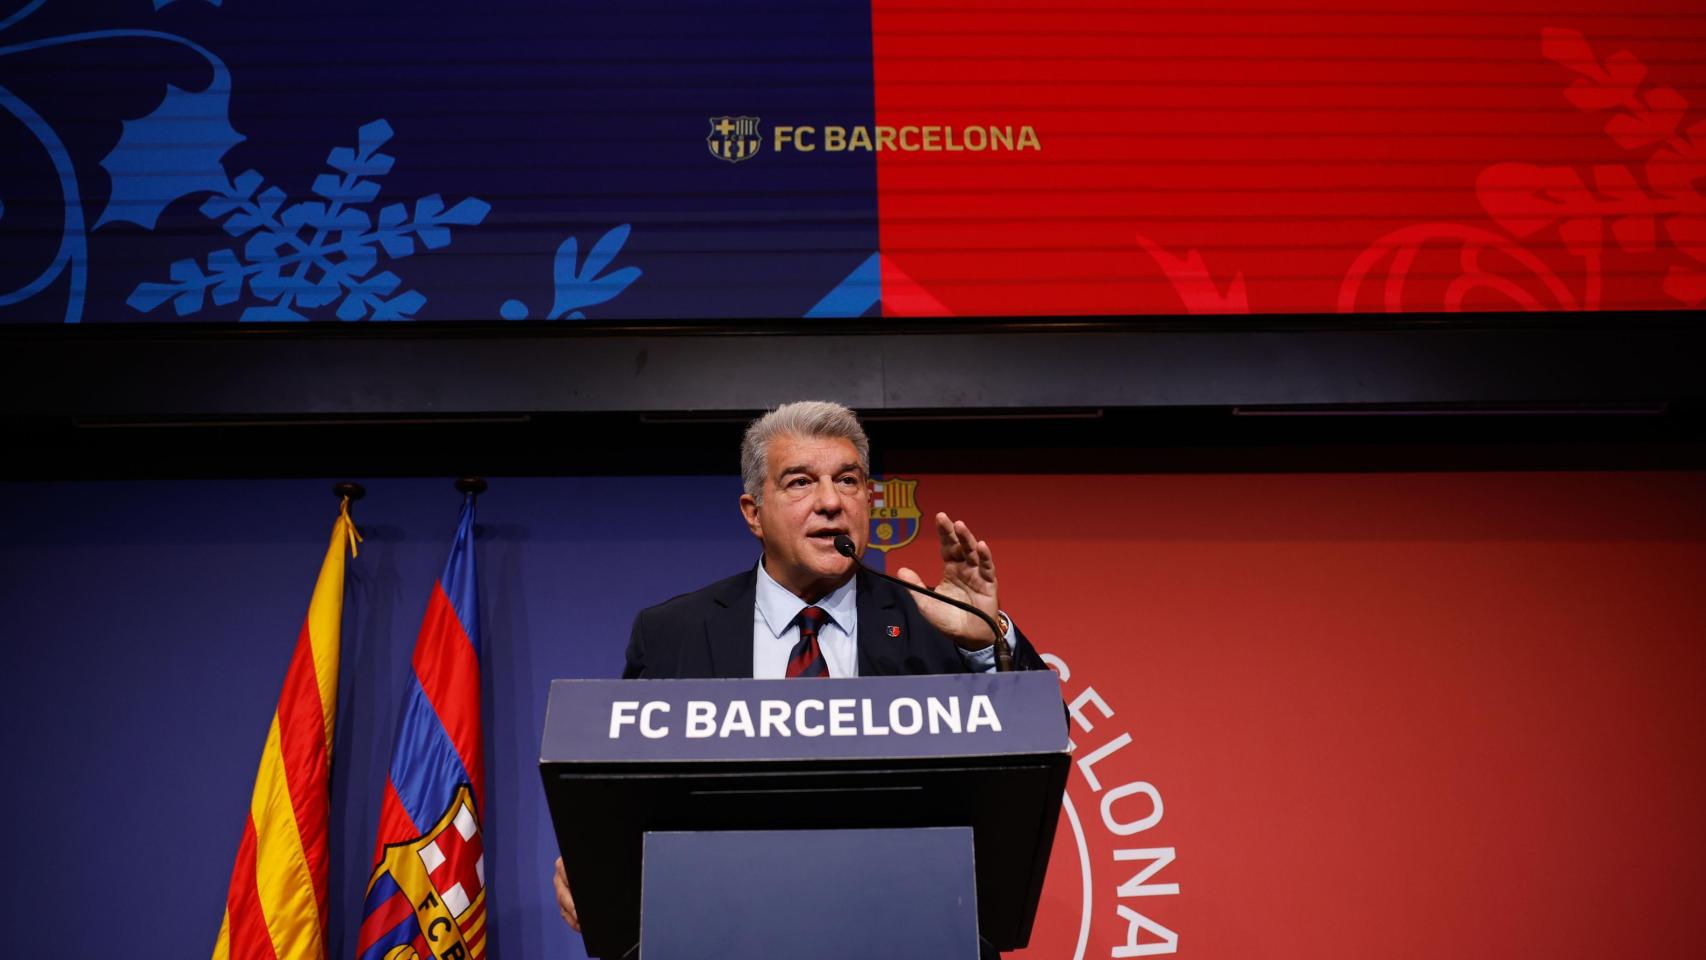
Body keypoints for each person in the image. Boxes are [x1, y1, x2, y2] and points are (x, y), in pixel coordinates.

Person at [553, 399, 1045, 933]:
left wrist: (984, 640)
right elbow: (628, 791)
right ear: (753, 513)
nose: (831, 502)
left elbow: (1042, 755)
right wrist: (600, 863)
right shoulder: (673, 632)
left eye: (849, 481)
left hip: (910, 922)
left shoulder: (935, 618)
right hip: (724, 928)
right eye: (799, 482)